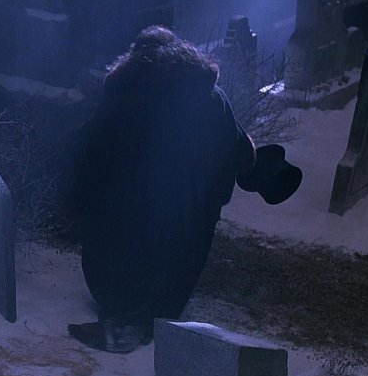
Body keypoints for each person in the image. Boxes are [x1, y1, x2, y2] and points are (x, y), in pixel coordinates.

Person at [67, 26, 300, 353]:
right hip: (178, 264)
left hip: (108, 268)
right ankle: (140, 319)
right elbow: (240, 155)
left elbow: (85, 154)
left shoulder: (122, 97)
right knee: (187, 216)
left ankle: (129, 319)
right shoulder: (210, 97)